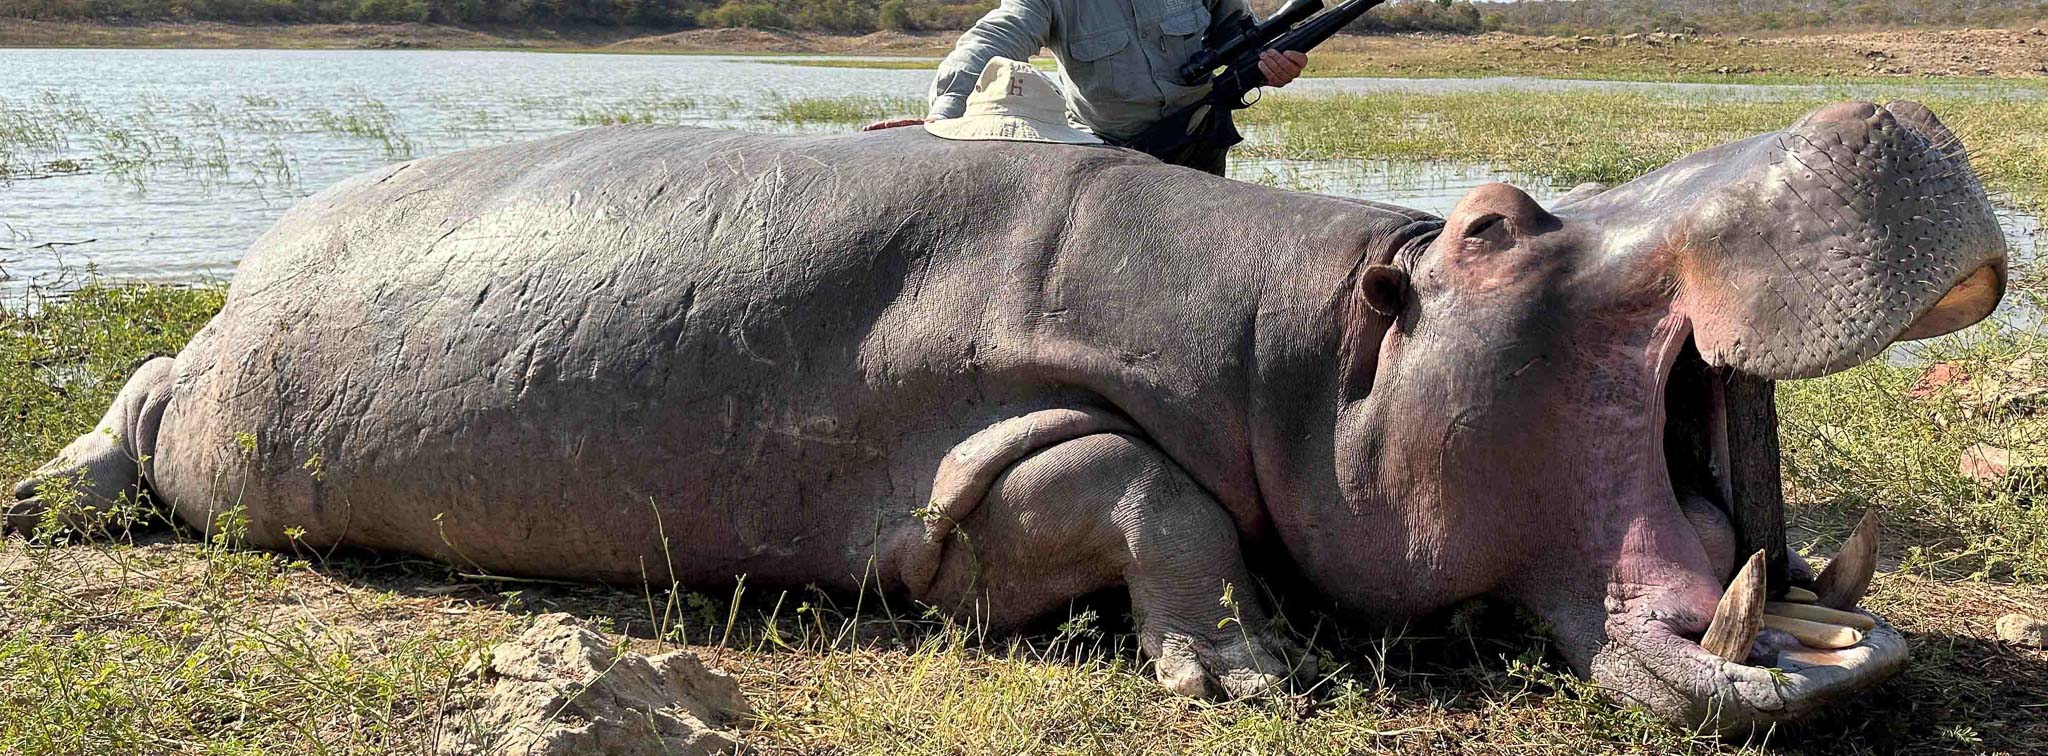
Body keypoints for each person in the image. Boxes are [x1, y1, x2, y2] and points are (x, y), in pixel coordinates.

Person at [869, 0, 1308, 175]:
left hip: (1201, 139)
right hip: (1113, 157)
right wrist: (943, 117)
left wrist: (1274, 65)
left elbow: (1242, 35)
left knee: (1210, 268)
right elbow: (992, 40)